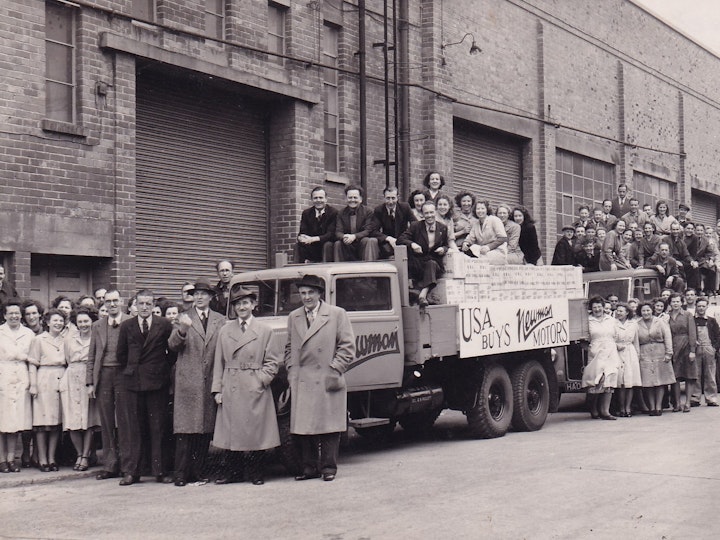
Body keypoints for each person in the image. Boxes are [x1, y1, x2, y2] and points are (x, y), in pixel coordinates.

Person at [285, 274, 354, 482]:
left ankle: (328, 467)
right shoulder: (294, 316)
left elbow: (348, 347)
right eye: (303, 293)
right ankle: (309, 467)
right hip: (302, 377)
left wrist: (335, 369)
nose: (306, 297)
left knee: (329, 425)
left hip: (327, 375)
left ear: (319, 294)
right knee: (305, 426)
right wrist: (291, 369)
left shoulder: (336, 314)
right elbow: (289, 346)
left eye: (310, 293)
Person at [212, 286, 280, 486]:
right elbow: (219, 362)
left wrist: (261, 380)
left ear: (253, 305)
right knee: (232, 432)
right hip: (231, 383)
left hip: (253, 384)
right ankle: (233, 472)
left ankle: (257, 472)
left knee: (256, 431)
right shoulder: (225, 330)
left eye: (245, 303)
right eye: (238, 304)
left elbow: (273, 361)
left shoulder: (265, 330)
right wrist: (217, 389)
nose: (242, 307)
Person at [168, 279, 226, 487]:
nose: (199, 297)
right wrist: (183, 330)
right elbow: (172, 345)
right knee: (185, 431)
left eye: (204, 294)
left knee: (204, 430)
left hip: (210, 378)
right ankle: (180, 474)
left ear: (211, 297)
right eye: (196, 294)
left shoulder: (220, 320)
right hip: (188, 382)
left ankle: (198, 472)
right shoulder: (183, 318)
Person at [116, 289, 175, 486]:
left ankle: (160, 471)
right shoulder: (126, 326)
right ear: (135, 305)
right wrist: (132, 370)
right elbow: (121, 355)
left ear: (153, 305)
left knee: (158, 428)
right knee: (134, 429)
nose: (144, 307)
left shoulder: (164, 325)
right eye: (141, 303)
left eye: (148, 304)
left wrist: (159, 369)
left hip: (157, 382)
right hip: (133, 383)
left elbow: (172, 353)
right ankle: (132, 472)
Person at [86, 289, 130, 480]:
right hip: (104, 374)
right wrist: (89, 382)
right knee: (106, 421)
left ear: (121, 302)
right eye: (108, 301)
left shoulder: (130, 321)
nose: (112, 304)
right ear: (104, 304)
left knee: (125, 420)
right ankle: (110, 465)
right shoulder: (97, 325)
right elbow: (92, 355)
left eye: (115, 301)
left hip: (124, 375)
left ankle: (127, 465)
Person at [60, 305, 100, 472]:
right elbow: (67, 359)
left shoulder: (96, 337)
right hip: (72, 378)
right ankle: (79, 454)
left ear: (92, 321)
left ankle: (85, 455)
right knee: (73, 421)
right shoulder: (69, 338)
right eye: (80, 321)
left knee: (88, 420)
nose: (83, 324)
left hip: (88, 377)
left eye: (86, 321)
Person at [28, 308, 67, 471]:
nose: (58, 323)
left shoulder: (66, 340)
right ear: (48, 322)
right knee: (42, 423)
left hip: (61, 378)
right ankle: (42, 459)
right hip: (44, 379)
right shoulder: (39, 340)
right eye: (55, 320)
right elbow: (32, 363)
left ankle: (52, 458)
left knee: (56, 422)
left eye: (61, 321)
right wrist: (33, 384)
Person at [0, 301, 34, 472]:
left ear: (21, 315)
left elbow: (33, 357)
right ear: (4, 315)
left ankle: (11, 458)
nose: (14, 316)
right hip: (3, 376)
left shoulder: (28, 334)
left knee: (14, 422)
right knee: (2, 421)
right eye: (10, 313)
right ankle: (1, 460)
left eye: (17, 313)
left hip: (21, 376)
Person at [398, 201, 451, 307]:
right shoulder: (415, 226)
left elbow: (446, 244)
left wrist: (443, 249)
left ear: (435, 212)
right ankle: (423, 294)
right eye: (426, 213)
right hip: (418, 264)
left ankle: (422, 294)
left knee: (431, 264)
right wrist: (412, 244)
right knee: (428, 264)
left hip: (435, 264)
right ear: (422, 214)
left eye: (431, 212)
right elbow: (400, 239)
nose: (429, 215)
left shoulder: (443, 228)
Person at [582, 296, 621, 420]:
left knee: (609, 379)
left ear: (604, 307)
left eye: (599, 307)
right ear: (591, 309)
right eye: (594, 307)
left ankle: (605, 411)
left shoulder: (611, 320)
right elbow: (583, 339)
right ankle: (593, 410)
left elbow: (616, 335)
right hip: (595, 352)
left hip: (610, 351)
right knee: (595, 380)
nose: (597, 309)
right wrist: (590, 348)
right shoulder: (588, 321)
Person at [637, 301, 675, 415]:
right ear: (640, 312)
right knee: (648, 382)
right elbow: (635, 341)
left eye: (648, 310)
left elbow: (668, 337)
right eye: (643, 310)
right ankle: (651, 407)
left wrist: (669, 353)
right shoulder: (637, 323)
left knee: (660, 381)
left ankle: (658, 406)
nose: (646, 312)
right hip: (645, 353)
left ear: (652, 310)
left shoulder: (660, 322)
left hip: (660, 352)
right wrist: (637, 356)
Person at [667, 293, 697, 413]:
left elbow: (692, 333)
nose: (675, 304)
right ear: (670, 303)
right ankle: (677, 403)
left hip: (686, 346)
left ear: (682, 302)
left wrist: (692, 350)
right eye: (673, 302)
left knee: (689, 376)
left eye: (677, 301)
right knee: (676, 377)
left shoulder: (687, 315)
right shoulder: (667, 317)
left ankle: (688, 402)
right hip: (673, 347)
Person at [689, 297, 720, 407]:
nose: (701, 308)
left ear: (707, 307)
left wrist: (714, 348)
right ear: (696, 307)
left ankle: (711, 398)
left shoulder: (711, 320)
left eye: (703, 306)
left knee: (710, 374)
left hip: (709, 348)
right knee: (695, 374)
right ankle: (695, 398)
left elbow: (717, 336)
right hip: (696, 349)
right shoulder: (691, 320)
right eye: (699, 306)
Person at [334, 185, 378, 261]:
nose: (352, 200)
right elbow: (338, 231)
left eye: (355, 197)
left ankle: (369, 267)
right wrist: (344, 237)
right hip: (347, 244)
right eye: (350, 197)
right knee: (338, 244)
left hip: (362, 243)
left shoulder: (368, 211)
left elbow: (368, 230)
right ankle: (338, 269)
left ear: (360, 199)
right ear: (346, 199)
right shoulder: (341, 213)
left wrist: (354, 236)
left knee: (368, 240)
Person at [372, 186, 416, 259]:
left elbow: (415, 224)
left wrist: (406, 238)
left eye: (393, 198)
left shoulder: (405, 207)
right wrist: (388, 238)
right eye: (388, 198)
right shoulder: (379, 210)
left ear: (397, 197)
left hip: (403, 241)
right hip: (387, 244)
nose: (390, 202)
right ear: (384, 198)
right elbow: (373, 230)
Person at [297, 186, 338, 263]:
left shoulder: (333, 213)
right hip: (311, 245)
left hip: (325, 243)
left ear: (326, 199)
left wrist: (313, 239)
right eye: (315, 198)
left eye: (321, 198)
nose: (318, 200)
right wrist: (302, 237)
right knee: (299, 244)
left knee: (328, 245)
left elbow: (331, 234)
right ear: (312, 199)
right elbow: (302, 231)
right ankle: (303, 267)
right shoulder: (306, 213)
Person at [614, 303, 641, 417]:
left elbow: (636, 341)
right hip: (617, 352)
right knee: (620, 382)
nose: (618, 313)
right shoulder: (612, 323)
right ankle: (621, 408)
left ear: (627, 313)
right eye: (617, 311)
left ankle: (628, 408)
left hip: (630, 352)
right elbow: (609, 339)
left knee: (630, 381)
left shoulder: (633, 324)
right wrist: (616, 346)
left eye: (621, 311)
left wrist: (638, 355)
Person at [461, 200, 508, 265]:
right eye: (478, 209)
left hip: (497, 251)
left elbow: (503, 238)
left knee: (479, 261)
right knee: (465, 257)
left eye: (482, 208)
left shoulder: (494, 219)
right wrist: (466, 242)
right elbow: (470, 237)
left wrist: (489, 247)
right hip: (482, 251)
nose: (480, 211)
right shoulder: (476, 223)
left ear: (487, 210)